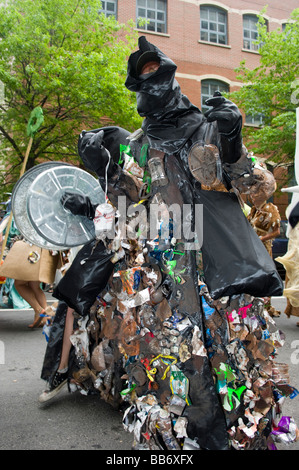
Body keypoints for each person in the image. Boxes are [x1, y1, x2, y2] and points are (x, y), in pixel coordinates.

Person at [38, 37, 299, 451]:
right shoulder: (138, 145)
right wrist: (99, 179)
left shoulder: (207, 128)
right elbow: (126, 209)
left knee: (230, 363)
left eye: (155, 80)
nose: (148, 92)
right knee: (172, 366)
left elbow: (256, 190)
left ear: (171, 80)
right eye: (141, 85)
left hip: (219, 274)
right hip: (163, 283)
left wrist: (232, 138)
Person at [247, 167, 281, 317]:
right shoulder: (253, 210)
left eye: (255, 194)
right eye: (252, 194)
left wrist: (261, 239)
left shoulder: (271, 209)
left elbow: (277, 231)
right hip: (252, 248)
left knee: (265, 276)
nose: (253, 196)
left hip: (264, 249)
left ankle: (266, 306)